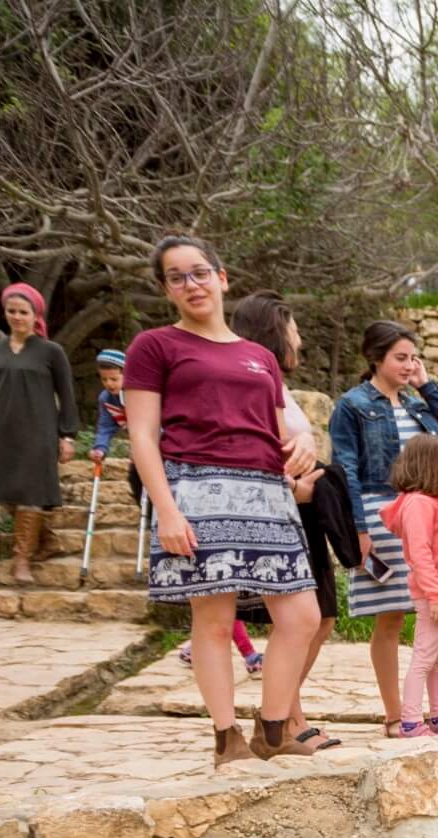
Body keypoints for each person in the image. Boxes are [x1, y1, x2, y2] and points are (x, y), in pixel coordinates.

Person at [125, 234, 326, 766]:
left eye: (199, 272)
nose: (191, 284)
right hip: (198, 489)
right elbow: (143, 436)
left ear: (222, 277)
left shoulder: (261, 356)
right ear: (166, 289)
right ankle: (226, 737)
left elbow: (279, 429)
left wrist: (303, 443)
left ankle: (273, 727)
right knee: (213, 622)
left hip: (266, 494)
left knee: (302, 615)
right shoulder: (155, 347)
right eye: (176, 276)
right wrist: (166, 509)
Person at [331, 321, 438, 734]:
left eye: (413, 358)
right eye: (400, 358)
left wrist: (427, 387)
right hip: (379, 513)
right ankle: (396, 715)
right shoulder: (351, 405)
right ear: (376, 358)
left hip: (433, 515)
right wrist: (358, 528)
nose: (408, 365)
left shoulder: (418, 404)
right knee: (389, 618)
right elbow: (345, 468)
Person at [231, 291, 360, 751]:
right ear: (273, 331)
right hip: (283, 512)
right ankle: (281, 719)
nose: (300, 339)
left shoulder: (276, 385)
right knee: (307, 620)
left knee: (320, 619)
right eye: (293, 329)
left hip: (305, 514)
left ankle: (285, 713)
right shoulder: (253, 385)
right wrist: (293, 488)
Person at [0, 282, 76, 586]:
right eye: (11, 311)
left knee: (31, 492)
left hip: (38, 432)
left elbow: (66, 396)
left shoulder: (51, 351)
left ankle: (21, 560)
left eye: (23, 312)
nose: (16, 317)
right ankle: (46, 539)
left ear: (35, 313)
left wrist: (67, 435)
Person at [380, 435, 438, 735]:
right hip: (434, 594)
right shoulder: (418, 505)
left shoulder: (432, 503)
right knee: (424, 657)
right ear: (431, 466)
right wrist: (433, 595)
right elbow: (420, 552)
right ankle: (410, 721)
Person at [88, 348, 128, 468]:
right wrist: (100, 448)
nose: (109, 384)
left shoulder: (140, 393)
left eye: (114, 379)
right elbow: (105, 427)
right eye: (104, 379)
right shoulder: (106, 398)